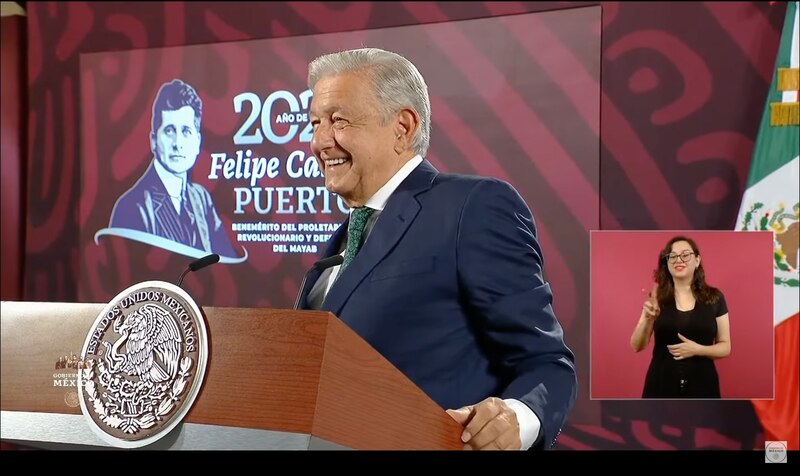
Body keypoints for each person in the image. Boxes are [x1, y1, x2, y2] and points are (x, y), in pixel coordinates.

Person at [297, 47, 577, 450]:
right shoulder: (344, 238)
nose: (320, 141)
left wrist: (517, 418)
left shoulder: (473, 206)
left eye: (338, 121)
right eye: (315, 123)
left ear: (403, 127)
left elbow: (547, 362)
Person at [109, 79, 235, 258]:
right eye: (169, 131)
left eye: (186, 131)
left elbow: (226, 264)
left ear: (197, 142)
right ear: (153, 141)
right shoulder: (132, 207)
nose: (177, 144)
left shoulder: (201, 198)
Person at [630, 236, 731, 398]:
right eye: (673, 256)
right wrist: (647, 318)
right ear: (667, 263)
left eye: (685, 255)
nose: (679, 260)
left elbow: (725, 347)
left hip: (703, 384)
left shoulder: (715, 298)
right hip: (660, 383)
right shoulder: (657, 297)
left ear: (697, 260)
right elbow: (637, 346)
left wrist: (697, 349)